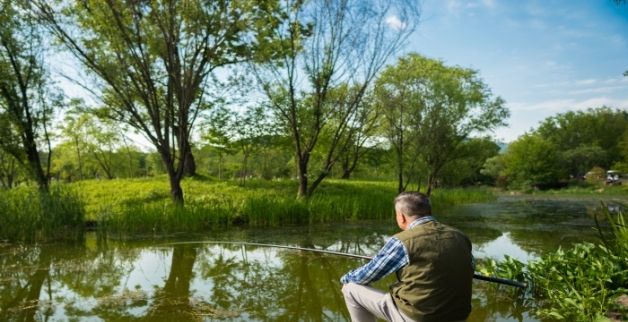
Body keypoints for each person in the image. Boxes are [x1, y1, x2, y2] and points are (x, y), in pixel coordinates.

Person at [340, 192, 473, 322]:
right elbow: (470, 267)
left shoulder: (402, 241)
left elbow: (368, 274)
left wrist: (345, 278)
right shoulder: (460, 236)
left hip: (419, 317)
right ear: (428, 212)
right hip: (459, 315)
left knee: (350, 288)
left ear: (401, 217)